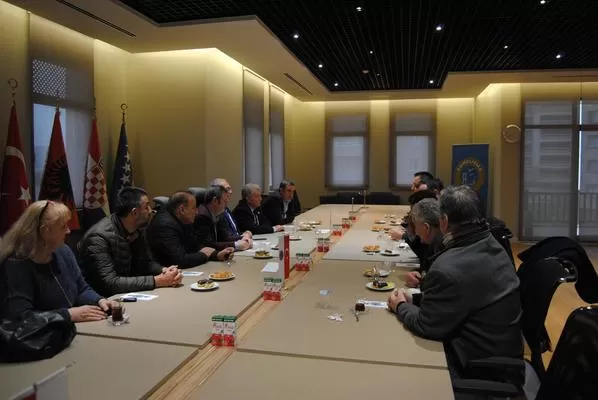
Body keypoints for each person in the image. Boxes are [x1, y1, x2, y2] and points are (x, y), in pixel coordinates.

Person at [388, 185, 522, 379]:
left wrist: (400, 306)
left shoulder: (448, 267)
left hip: (474, 366)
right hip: (498, 350)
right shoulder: (490, 243)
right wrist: (416, 299)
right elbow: (461, 295)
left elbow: (426, 325)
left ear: (443, 221)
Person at [0, 201, 118, 323]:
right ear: (45, 231)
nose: (68, 231)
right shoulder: (16, 264)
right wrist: (67, 314)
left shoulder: (63, 251)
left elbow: (81, 289)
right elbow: (21, 318)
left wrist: (99, 301)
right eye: (63, 227)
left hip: (68, 328)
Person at [79, 187, 182, 297]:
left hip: (129, 293)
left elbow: (147, 263)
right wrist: (157, 281)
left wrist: (164, 271)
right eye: (146, 207)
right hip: (104, 300)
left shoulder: (138, 228)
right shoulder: (98, 237)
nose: (151, 211)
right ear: (134, 212)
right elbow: (111, 283)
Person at [147, 191, 234, 268]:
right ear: (182, 210)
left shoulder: (184, 219)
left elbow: (195, 246)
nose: (197, 212)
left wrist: (217, 254)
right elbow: (179, 260)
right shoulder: (164, 225)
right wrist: (204, 255)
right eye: (193, 208)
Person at [195, 186, 253, 251]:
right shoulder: (202, 216)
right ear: (215, 201)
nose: (228, 202)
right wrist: (236, 245)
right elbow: (208, 245)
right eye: (225, 200)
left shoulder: (217, 213)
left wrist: (243, 238)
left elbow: (224, 237)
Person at [403, 198, 444, 289]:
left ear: (426, 228)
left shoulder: (441, 248)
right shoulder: (436, 241)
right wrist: (418, 273)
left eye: (416, 226)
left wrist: (422, 283)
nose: (416, 232)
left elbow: (436, 286)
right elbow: (427, 269)